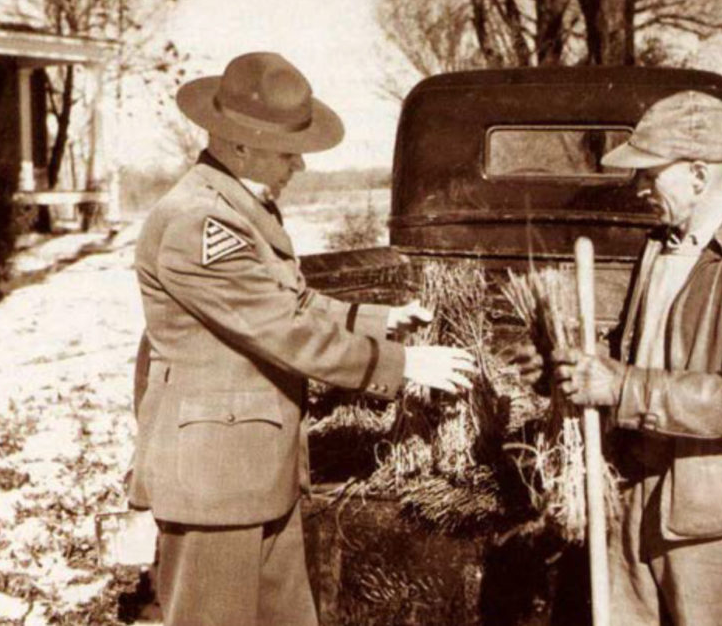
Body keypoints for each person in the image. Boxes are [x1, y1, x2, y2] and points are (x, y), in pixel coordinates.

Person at [130, 51, 475, 626]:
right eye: (289, 152)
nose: (301, 167)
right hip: (216, 482)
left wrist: (375, 320)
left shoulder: (239, 208)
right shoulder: (200, 223)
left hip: (254, 470)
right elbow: (281, 329)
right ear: (239, 145)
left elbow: (292, 303)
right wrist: (402, 364)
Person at [510, 90, 722, 626]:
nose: (639, 187)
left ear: (699, 176)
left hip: (715, 531)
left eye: (650, 173)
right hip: (633, 507)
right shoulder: (658, 249)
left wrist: (623, 388)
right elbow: (640, 354)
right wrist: (568, 369)